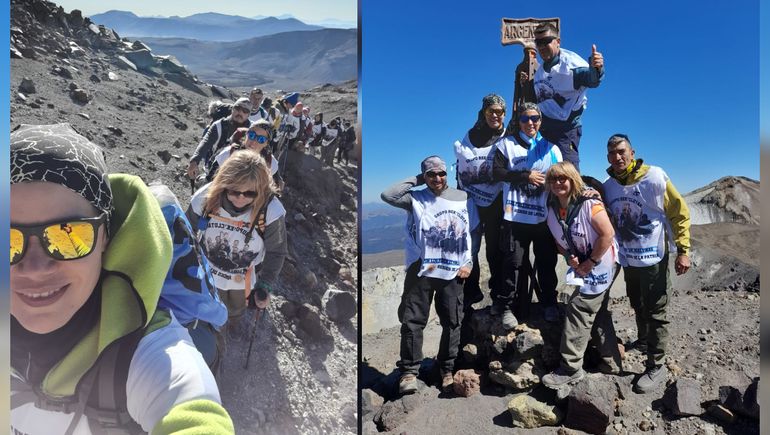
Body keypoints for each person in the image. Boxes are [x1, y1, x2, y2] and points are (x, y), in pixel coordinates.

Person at [10, 123, 234, 434]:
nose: (34, 268)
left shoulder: (149, 352)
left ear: (105, 236)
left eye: (69, 235)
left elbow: (195, 415)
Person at [602, 134, 690, 393]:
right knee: (637, 303)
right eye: (612, 153)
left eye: (622, 151)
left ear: (632, 152)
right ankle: (643, 341)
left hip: (653, 259)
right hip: (629, 260)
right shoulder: (609, 186)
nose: (617, 157)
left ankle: (656, 365)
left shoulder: (654, 177)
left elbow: (679, 212)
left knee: (656, 311)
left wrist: (683, 250)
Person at [381, 156, 475, 395]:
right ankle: (409, 371)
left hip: (453, 268)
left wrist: (469, 261)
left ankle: (446, 369)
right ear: (425, 176)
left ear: (447, 173)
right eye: (431, 174)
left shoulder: (462, 197)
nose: (437, 178)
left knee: (452, 321)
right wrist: (418, 179)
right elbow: (388, 195)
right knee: (413, 320)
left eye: (441, 173)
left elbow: (469, 230)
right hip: (421, 267)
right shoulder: (415, 198)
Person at [187, 150, 288, 341]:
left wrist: (265, 284)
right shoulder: (205, 198)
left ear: (261, 189)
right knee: (205, 310)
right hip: (206, 273)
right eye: (234, 191)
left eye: (250, 193)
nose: (241, 198)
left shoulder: (271, 211)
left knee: (235, 309)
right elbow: (185, 233)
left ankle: (229, 326)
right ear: (224, 183)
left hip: (243, 279)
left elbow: (276, 251)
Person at [540, 162, 622, 388]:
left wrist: (590, 262)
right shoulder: (553, 208)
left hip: (602, 262)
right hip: (584, 263)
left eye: (563, 178)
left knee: (579, 307)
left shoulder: (589, 204)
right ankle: (611, 362)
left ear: (572, 180)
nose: (558, 183)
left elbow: (607, 234)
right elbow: (559, 241)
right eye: (553, 179)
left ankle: (570, 368)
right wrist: (569, 257)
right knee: (599, 311)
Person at [492, 102, 562, 328]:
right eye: (525, 119)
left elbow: (562, 177)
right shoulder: (506, 144)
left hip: (543, 218)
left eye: (534, 118)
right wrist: (525, 176)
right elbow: (496, 172)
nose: (530, 123)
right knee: (512, 264)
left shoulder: (552, 149)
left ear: (540, 120)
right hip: (514, 217)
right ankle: (506, 307)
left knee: (546, 262)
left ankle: (549, 303)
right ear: (518, 121)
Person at [453, 94, 505, 344]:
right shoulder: (470, 136)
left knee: (495, 250)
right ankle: (471, 292)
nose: (495, 115)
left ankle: (498, 294)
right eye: (491, 111)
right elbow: (461, 166)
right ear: (484, 112)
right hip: (471, 201)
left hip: (496, 202)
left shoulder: (507, 135)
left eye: (500, 111)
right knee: (469, 250)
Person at [532, 22, 604, 171]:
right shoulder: (540, 70)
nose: (542, 47)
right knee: (542, 171)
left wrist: (597, 69)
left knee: (567, 173)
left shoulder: (572, 66)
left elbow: (592, 80)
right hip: (544, 129)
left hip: (566, 130)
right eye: (538, 43)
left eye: (546, 41)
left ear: (557, 42)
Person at [187, 97, 252, 182]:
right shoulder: (218, 125)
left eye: (245, 111)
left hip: (238, 175)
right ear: (232, 109)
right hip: (214, 170)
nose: (240, 112)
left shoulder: (252, 131)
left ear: (248, 115)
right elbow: (206, 143)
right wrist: (194, 161)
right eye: (238, 108)